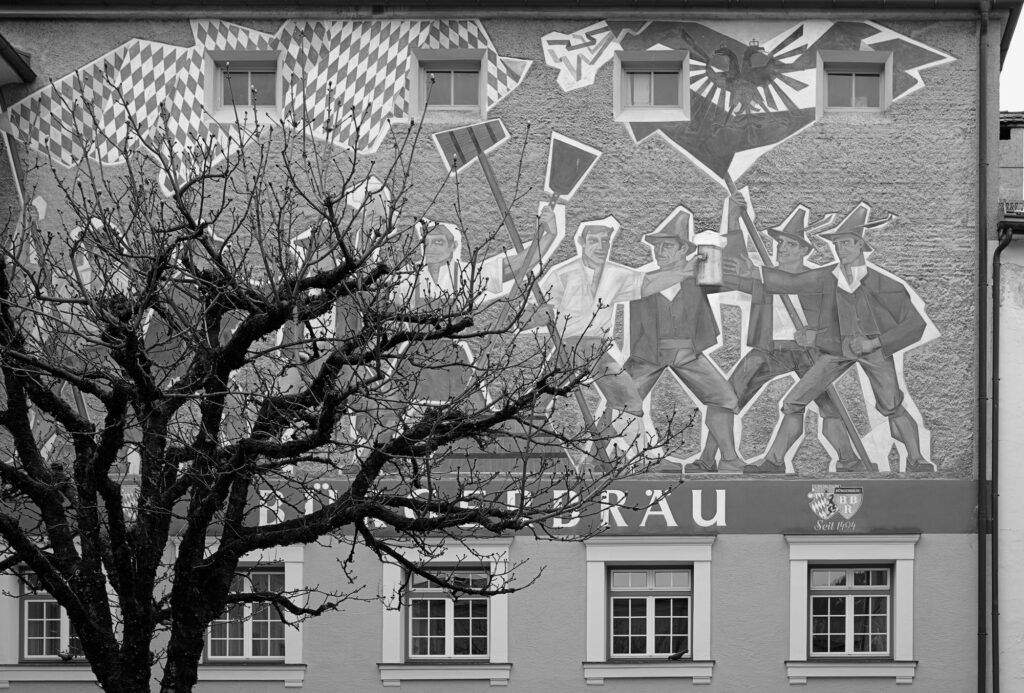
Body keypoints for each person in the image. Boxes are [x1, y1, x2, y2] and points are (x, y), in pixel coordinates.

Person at [730, 202, 934, 473]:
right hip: (837, 349)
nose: (840, 249)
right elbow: (791, 283)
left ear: (860, 245)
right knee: (793, 402)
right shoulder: (827, 277)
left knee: (891, 405)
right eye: (837, 244)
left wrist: (875, 343)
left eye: (846, 243)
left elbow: (915, 325)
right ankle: (774, 462)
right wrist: (754, 272)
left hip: (874, 350)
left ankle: (917, 459)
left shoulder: (886, 285)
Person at [704, 202, 863, 473]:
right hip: (769, 350)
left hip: (810, 351)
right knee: (728, 395)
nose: (782, 248)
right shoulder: (762, 277)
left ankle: (849, 460)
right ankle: (707, 458)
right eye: (780, 243)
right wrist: (732, 220)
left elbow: (840, 317)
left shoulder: (817, 279)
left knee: (830, 406)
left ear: (804, 250)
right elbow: (734, 267)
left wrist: (818, 337)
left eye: (790, 244)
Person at [531, 214, 698, 458]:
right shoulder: (562, 274)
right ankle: (522, 445)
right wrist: (540, 315)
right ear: (582, 243)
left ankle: (639, 458)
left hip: (597, 349)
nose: (601, 246)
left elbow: (648, 283)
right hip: (567, 346)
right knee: (537, 402)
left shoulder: (616, 274)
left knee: (628, 400)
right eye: (594, 240)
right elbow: (531, 314)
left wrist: (685, 272)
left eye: (605, 241)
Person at [623, 207, 743, 473]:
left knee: (724, 398)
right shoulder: (644, 280)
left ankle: (729, 459)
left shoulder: (700, 277)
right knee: (621, 398)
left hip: (688, 353)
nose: (659, 251)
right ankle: (625, 458)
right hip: (648, 355)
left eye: (667, 246)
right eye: (657, 246)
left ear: (683, 250)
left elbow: (735, 272)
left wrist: (731, 224)